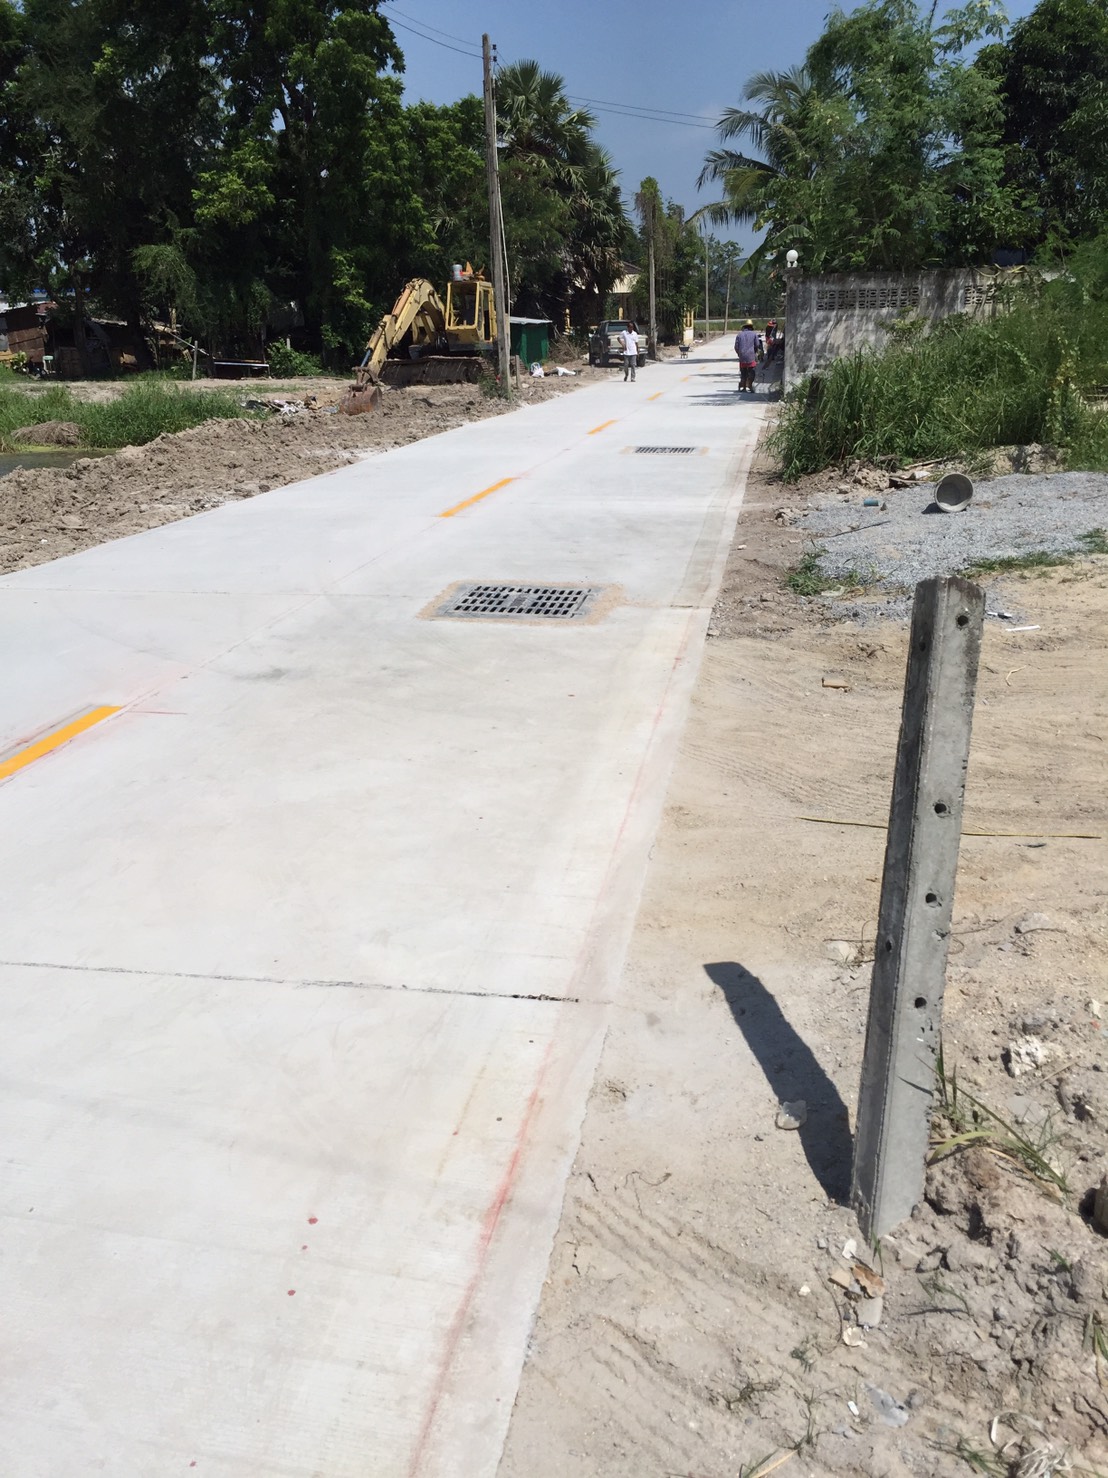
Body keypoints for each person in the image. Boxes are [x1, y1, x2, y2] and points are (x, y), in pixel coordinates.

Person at [735, 319, 760, 393]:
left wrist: (739, 354)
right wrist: (754, 352)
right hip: (751, 356)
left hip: (742, 357)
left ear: (744, 327)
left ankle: (744, 388)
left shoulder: (739, 335)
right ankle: (750, 386)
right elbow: (757, 344)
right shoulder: (754, 334)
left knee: (743, 372)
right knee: (752, 372)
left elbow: (736, 347)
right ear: (751, 327)